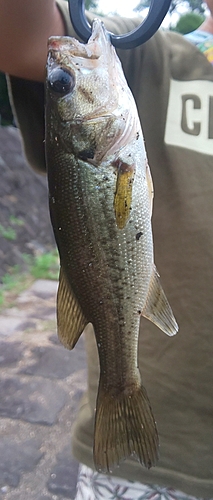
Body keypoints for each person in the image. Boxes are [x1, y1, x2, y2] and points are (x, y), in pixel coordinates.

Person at [1, 1, 213, 498]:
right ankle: (122, 391)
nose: (64, 68)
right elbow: (21, 36)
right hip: (163, 462)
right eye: (63, 86)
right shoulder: (145, 52)